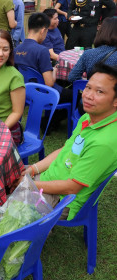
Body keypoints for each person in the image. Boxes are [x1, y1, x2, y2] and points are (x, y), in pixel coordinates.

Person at [20, 63, 117, 220]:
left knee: (8, 212)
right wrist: (32, 170)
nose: (88, 95)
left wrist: (28, 185)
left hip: (63, 199)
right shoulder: (88, 117)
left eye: (99, 91)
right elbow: (65, 150)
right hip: (48, 179)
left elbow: (72, 187)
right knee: (2, 175)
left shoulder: (105, 142)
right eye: (88, 88)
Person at [68, 17, 117, 82]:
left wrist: (90, 85)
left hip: (92, 90)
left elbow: (72, 77)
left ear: (101, 31)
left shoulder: (88, 53)